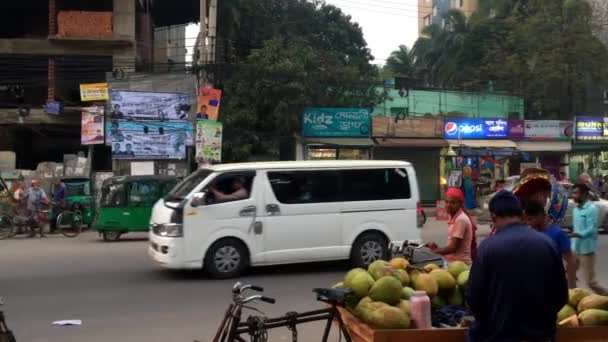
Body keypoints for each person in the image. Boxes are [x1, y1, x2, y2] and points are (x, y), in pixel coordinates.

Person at [467, 191, 568, 342]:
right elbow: (561, 296)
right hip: (541, 335)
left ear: (493, 216)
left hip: (500, 336)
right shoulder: (547, 244)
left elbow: (474, 298)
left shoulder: (487, 247)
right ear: (521, 214)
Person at [524, 200, 577, 288]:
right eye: (526, 220)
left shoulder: (557, 234)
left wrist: (572, 287)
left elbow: (570, 261)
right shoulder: (529, 233)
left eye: (530, 219)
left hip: (553, 284)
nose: (528, 223)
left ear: (541, 215)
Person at [570, 183, 608, 295]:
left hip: (586, 250)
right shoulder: (575, 210)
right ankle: (572, 299)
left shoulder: (592, 209)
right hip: (574, 248)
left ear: (584, 194)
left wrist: (577, 234)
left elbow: (592, 229)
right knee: (569, 276)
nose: (573, 196)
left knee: (591, 282)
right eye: (573, 193)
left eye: (576, 193)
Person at [426, 188, 477, 264]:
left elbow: (453, 248)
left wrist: (436, 250)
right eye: (446, 202)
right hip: (452, 261)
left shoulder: (461, 220)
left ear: (460, 203)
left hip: (460, 264)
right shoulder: (453, 216)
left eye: (453, 202)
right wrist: (437, 248)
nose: (448, 205)